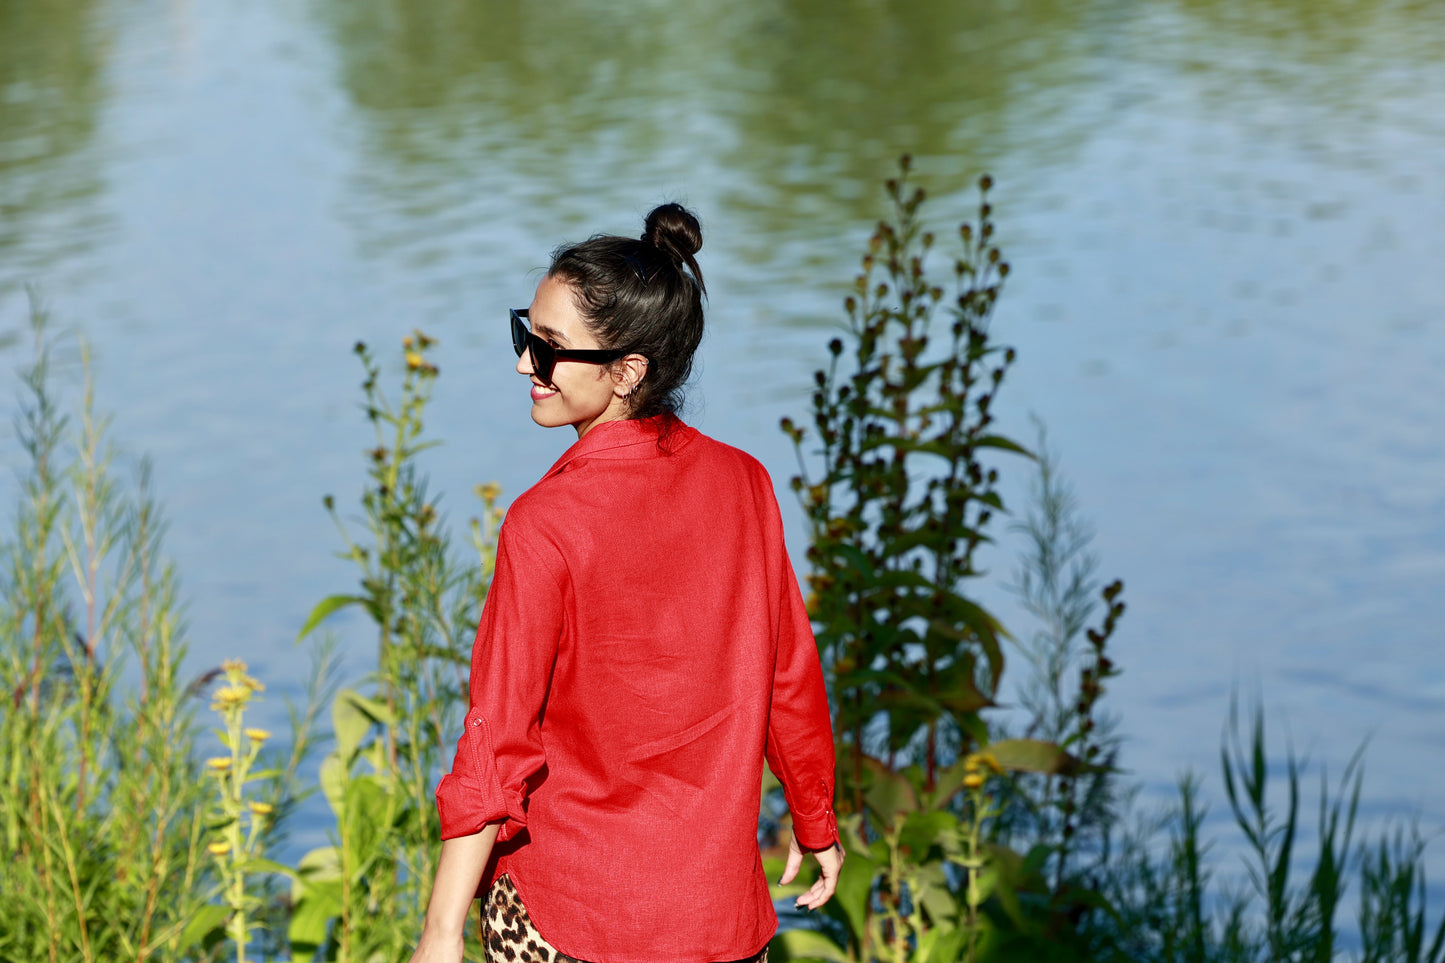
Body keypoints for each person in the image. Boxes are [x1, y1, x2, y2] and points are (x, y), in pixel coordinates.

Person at [408, 203, 843, 963]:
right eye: (524, 334)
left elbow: (495, 739)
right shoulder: (745, 484)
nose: (523, 365)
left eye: (547, 349)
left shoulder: (545, 522)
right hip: (717, 921)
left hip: (569, 913)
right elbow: (788, 676)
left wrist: (439, 932)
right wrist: (815, 817)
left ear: (627, 371)